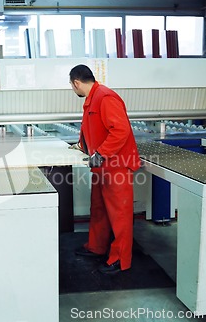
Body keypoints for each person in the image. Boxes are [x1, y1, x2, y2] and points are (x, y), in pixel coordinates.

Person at [69, 64, 140, 275]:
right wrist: (82, 146)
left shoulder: (105, 97)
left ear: (76, 83)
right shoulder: (92, 99)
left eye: (72, 86)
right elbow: (94, 129)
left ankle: (120, 259)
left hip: (116, 166)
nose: (73, 90)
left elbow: (121, 130)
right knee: (98, 209)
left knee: (120, 216)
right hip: (102, 166)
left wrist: (100, 154)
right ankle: (97, 247)